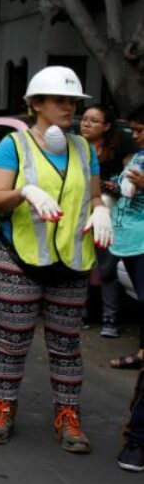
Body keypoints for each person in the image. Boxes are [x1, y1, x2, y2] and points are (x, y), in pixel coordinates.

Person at [0, 65, 112, 454]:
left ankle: (68, 417)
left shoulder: (83, 148)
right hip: (19, 256)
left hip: (71, 261)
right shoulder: (13, 145)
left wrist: (101, 208)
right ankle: (2, 409)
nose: (69, 106)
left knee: (66, 344)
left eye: (73, 100)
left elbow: (89, 197)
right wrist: (24, 192)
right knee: (13, 340)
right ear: (36, 104)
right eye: (60, 100)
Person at [80, 104, 135, 337]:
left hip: (109, 215)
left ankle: (109, 318)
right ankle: (78, 313)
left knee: (107, 268)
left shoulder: (121, 145)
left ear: (107, 126)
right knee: (78, 265)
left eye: (93, 120)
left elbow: (131, 177)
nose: (86, 124)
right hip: (79, 214)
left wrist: (118, 186)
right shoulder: (74, 146)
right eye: (84, 119)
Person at [109, 106, 144, 373]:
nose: (136, 136)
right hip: (130, 241)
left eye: (140, 130)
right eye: (133, 130)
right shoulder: (139, 156)